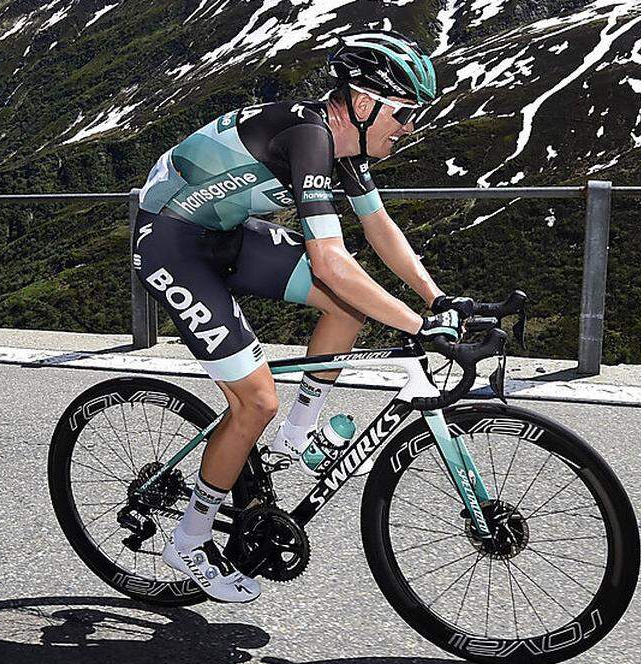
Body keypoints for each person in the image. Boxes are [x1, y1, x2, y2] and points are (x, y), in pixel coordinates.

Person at [133, 32, 472, 602]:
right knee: (255, 399)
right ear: (363, 105)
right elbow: (332, 262)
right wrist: (419, 328)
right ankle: (188, 540)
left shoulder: (345, 145)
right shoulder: (309, 136)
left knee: (345, 310)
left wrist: (439, 301)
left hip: (225, 233)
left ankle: (297, 434)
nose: (410, 129)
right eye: (405, 114)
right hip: (172, 244)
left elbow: (378, 229)